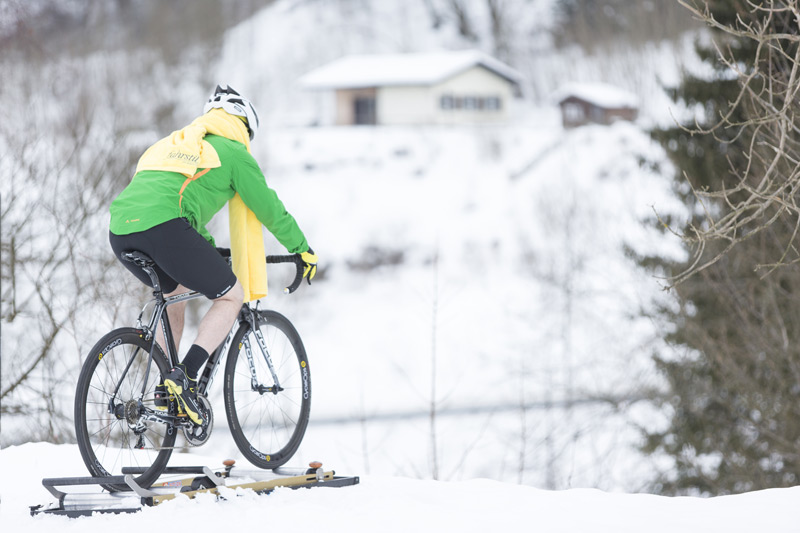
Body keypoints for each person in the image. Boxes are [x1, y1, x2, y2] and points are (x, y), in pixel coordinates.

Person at [108, 84, 316, 426]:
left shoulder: (172, 144)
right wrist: (301, 248)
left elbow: (176, 197)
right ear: (244, 127)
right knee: (232, 296)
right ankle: (185, 376)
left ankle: (163, 387)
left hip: (120, 230)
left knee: (172, 296)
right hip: (165, 227)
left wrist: (205, 245)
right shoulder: (233, 152)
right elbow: (269, 208)